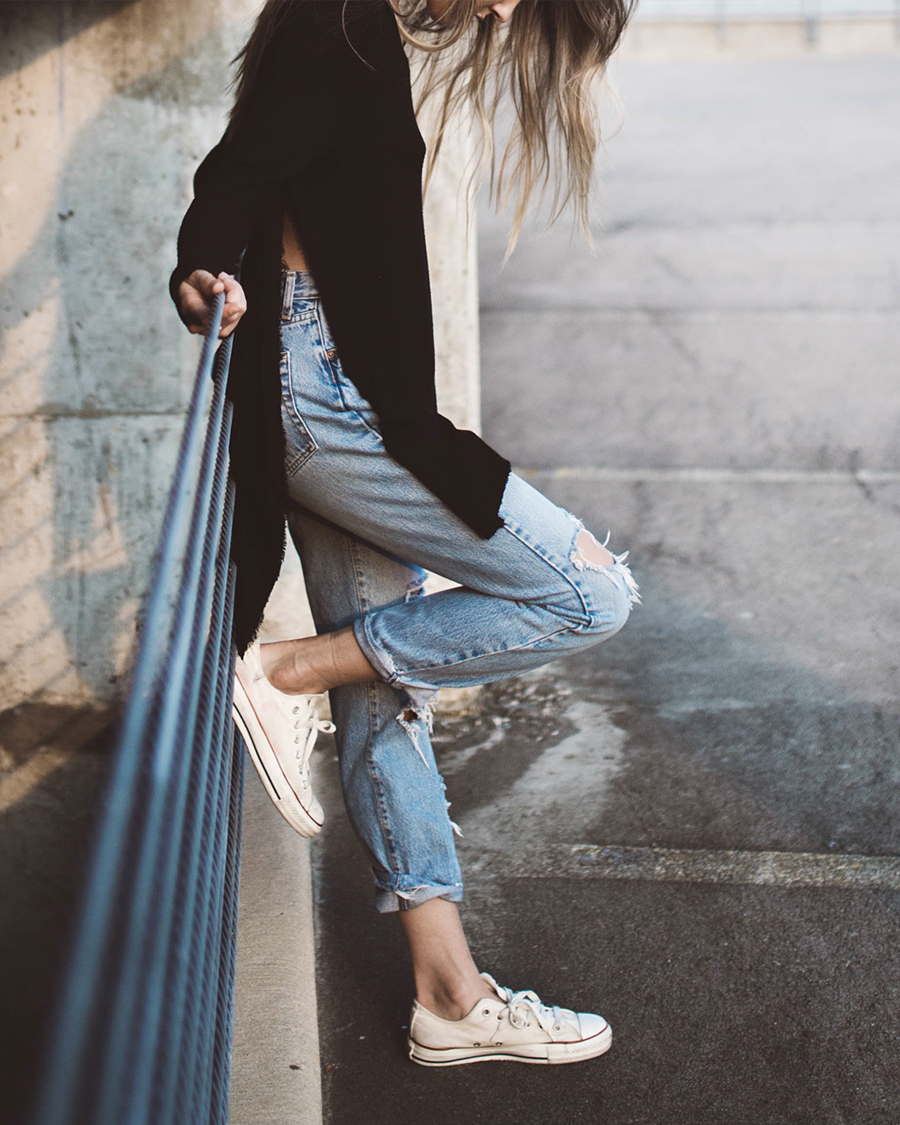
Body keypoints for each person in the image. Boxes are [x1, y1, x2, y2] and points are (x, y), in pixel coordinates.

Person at [170, 0, 638, 1067]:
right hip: (331, 402)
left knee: (381, 684)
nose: (503, 12)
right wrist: (204, 267)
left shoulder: (352, 24)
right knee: (590, 592)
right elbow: (234, 173)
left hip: (332, 390)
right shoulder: (340, 21)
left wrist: (213, 266)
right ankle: (282, 673)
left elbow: (253, 172)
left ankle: (448, 994)